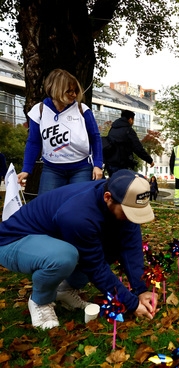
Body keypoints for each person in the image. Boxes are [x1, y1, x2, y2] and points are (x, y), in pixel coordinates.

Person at [0, 169, 157, 329]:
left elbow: (131, 245)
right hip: (13, 242)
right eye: (128, 212)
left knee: (110, 246)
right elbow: (94, 266)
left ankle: (65, 290)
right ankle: (40, 301)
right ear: (108, 198)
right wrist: (131, 303)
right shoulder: (78, 215)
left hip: (51, 239)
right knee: (64, 256)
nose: (132, 218)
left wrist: (140, 290)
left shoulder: (121, 197)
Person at [17, 69, 103, 194]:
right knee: (46, 206)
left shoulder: (82, 110)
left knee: (78, 206)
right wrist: (26, 169)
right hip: (52, 169)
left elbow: (95, 138)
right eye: (69, 91)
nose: (74, 95)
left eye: (75, 91)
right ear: (56, 90)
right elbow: (34, 142)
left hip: (81, 168)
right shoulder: (39, 110)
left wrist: (98, 165)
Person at [103, 110, 154, 177]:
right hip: (121, 164)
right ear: (130, 119)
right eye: (133, 120)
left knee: (113, 185)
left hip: (110, 163)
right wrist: (149, 160)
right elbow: (138, 148)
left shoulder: (113, 129)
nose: (133, 122)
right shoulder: (128, 130)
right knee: (124, 185)